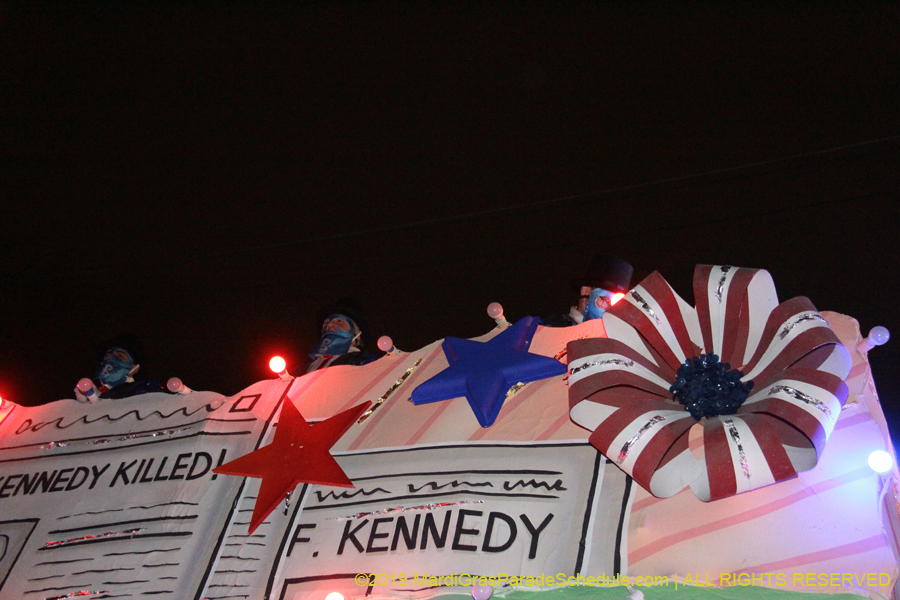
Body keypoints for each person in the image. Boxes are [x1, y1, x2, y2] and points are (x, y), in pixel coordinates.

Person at [543, 255, 633, 327]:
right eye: (606, 300)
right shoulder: (554, 327)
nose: (609, 308)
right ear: (586, 291)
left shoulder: (612, 339)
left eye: (616, 305)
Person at [77, 333, 167, 401]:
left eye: (120, 356)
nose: (110, 358)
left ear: (134, 368)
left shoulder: (144, 390)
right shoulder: (91, 394)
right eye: (108, 355)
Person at [306, 299, 382, 373]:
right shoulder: (304, 368)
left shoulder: (368, 364)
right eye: (326, 323)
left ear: (357, 333)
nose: (330, 325)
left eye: (339, 321)